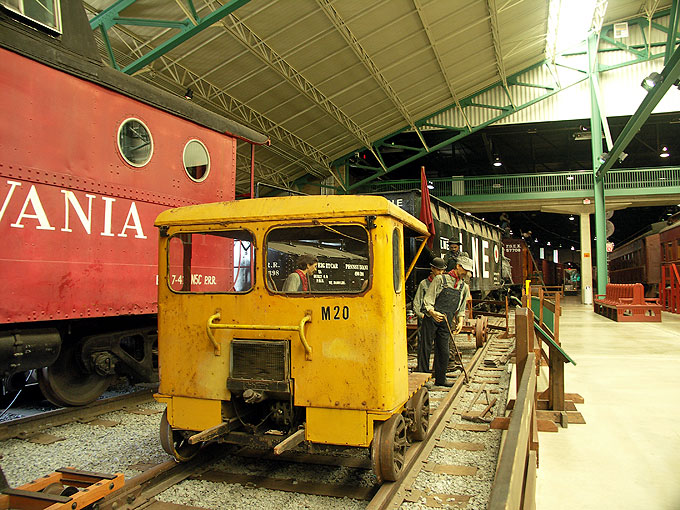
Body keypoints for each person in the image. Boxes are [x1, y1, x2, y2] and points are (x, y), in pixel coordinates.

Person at [422, 255, 473, 387]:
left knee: (443, 350)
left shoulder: (464, 287)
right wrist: (432, 312)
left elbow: (461, 307)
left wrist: (460, 320)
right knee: (425, 348)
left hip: (446, 320)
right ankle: (422, 379)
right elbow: (428, 299)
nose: (466, 273)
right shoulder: (440, 279)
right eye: (465, 270)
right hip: (432, 318)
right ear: (458, 266)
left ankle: (440, 379)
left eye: (468, 270)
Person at [413, 257, 446, 373]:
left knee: (440, 346)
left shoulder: (443, 284)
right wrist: (421, 315)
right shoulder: (424, 284)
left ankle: (437, 371)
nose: (440, 273)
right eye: (438, 270)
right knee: (424, 346)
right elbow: (417, 303)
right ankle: (423, 371)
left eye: (442, 271)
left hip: (438, 317)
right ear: (432, 269)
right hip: (426, 317)